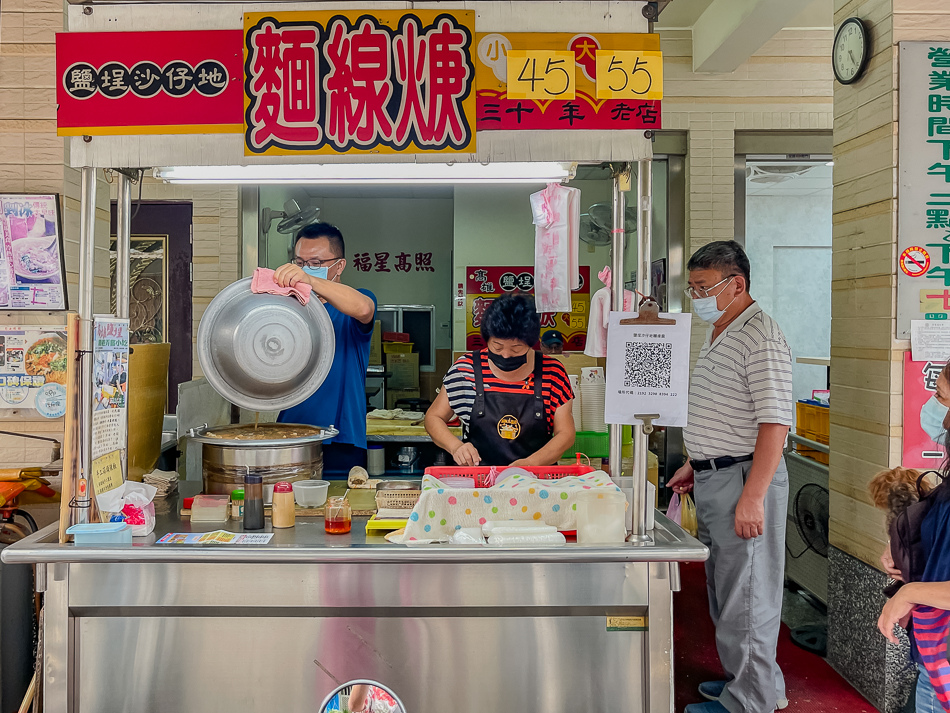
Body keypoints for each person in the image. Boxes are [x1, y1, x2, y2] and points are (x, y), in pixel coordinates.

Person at [667, 240, 793, 713]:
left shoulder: (760, 335)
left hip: (745, 478)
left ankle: (750, 702)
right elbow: (726, 412)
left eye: (703, 287)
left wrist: (753, 496)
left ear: (735, 284)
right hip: (718, 474)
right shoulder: (722, 330)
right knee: (730, 587)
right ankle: (753, 683)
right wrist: (695, 462)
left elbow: (774, 423)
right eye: (692, 287)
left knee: (750, 594)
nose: (695, 296)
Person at [425, 293, 575, 467]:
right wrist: (456, 446)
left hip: (537, 483)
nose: (505, 354)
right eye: (497, 346)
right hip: (479, 483)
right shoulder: (466, 369)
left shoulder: (552, 372)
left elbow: (566, 433)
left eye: (516, 348)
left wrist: (530, 464)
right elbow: (433, 417)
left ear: (532, 342)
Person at [274, 222, 376, 474]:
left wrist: (308, 279)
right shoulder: (288, 309)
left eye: (316, 263)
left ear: (339, 266)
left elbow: (363, 308)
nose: (305, 269)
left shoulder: (356, 303)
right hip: (290, 434)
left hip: (341, 438)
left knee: (338, 510)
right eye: (299, 262)